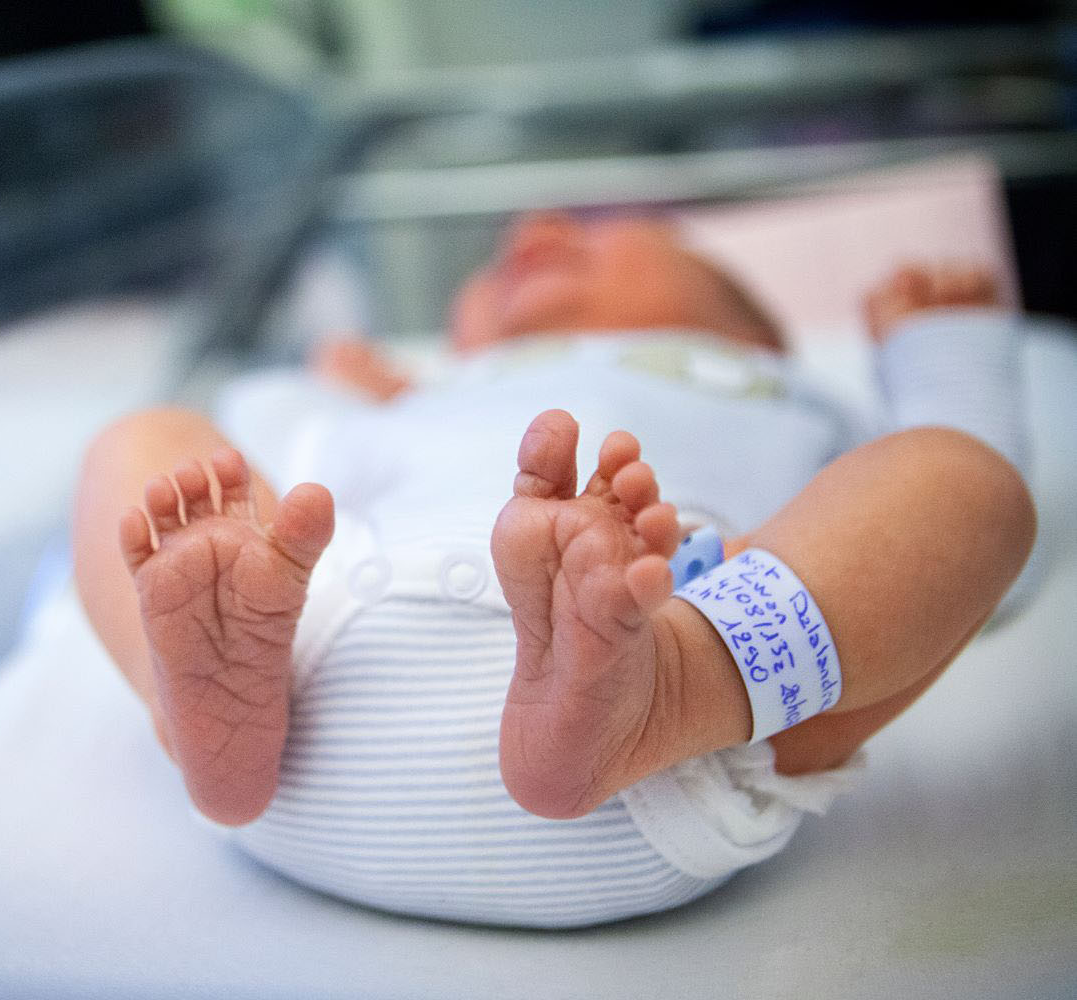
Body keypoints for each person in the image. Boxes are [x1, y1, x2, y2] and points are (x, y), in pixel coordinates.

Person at [72, 212, 1035, 927]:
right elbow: (270, 439)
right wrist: (346, 392)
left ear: (749, 330)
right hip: (302, 690)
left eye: (598, 229)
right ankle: (192, 699)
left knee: (958, 480)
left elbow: (934, 555)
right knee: (148, 441)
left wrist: (942, 358)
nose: (532, 230)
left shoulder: (782, 389)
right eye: (494, 266)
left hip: (680, 702)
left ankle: (683, 677)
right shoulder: (421, 398)